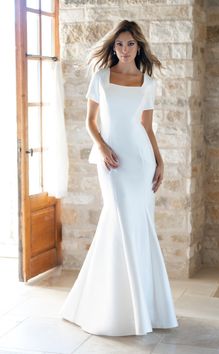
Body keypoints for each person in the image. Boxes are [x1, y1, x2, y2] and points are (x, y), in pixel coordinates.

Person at [60, 19, 178, 336]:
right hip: (111, 159)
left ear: (138, 47)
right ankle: (112, 307)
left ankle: (144, 307)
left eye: (130, 44)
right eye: (119, 45)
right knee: (119, 218)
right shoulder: (101, 77)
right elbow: (90, 122)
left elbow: (147, 127)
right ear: (113, 48)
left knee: (139, 224)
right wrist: (102, 147)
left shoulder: (147, 82)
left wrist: (159, 159)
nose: (124, 50)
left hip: (140, 159)